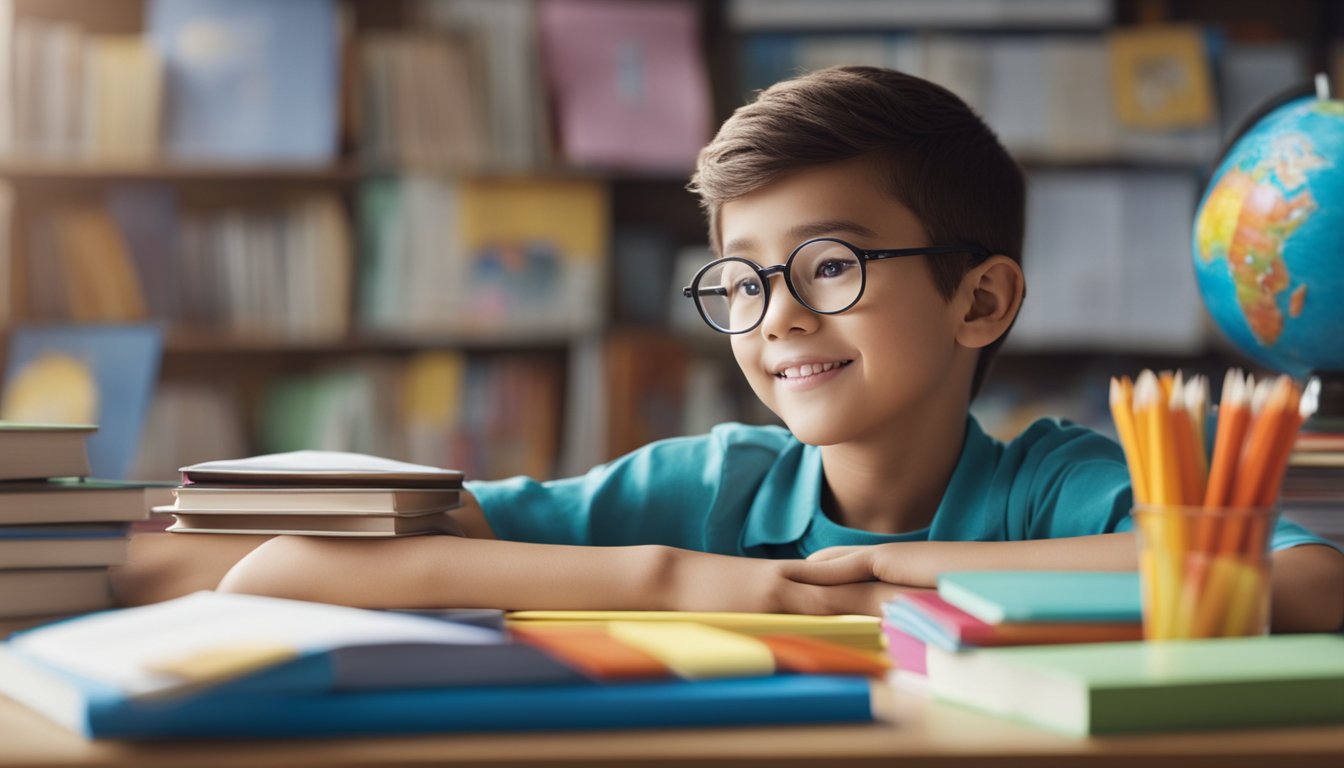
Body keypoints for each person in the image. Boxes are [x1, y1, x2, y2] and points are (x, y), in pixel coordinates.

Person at [214, 66, 1344, 630]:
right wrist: (681, 577)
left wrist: (888, 570)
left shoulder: (1053, 484)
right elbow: (280, 569)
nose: (778, 316)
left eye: (832, 265)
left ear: (981, 299)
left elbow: (1302, 579)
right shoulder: (708, 491)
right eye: (741, 279)